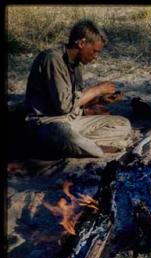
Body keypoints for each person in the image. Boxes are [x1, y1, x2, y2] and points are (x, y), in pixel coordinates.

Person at [23, 19, 131, 158]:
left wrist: (98, 100)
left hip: (71, 120)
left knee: (122, 124)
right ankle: (93, 149)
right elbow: (64, 106)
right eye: (95, 51)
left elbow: (75, 100)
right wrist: (96, 90)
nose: (96, 57)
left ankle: (80, 146)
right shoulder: (52, 59)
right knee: (62, 133)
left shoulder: (77, 63)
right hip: (47, 123)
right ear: (81, 43)